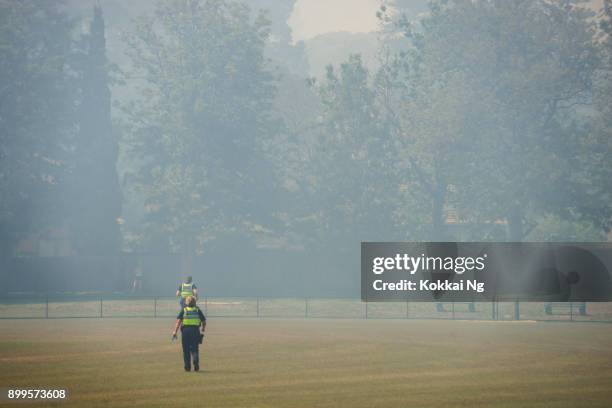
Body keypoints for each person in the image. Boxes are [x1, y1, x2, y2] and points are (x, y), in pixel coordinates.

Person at [172, 296, 206, 372]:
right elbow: (204, 321)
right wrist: (203, 329)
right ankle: (195, 360)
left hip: (185, 332)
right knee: (195, 349)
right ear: (194, 302)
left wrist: (175, 332)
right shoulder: (197, 310)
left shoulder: (184, 310)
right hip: (195, 331)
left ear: (186, 302)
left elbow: (178, 322)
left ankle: (187, 367)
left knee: (186, 350)